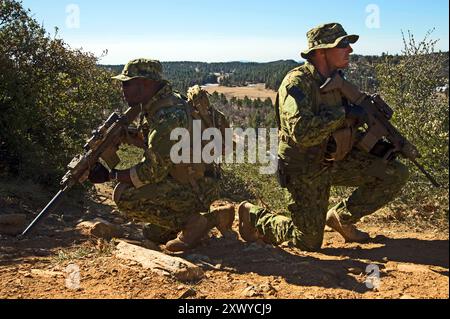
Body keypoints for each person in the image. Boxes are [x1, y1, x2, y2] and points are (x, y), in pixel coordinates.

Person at [238, 23, 409, 251]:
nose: (349, 50)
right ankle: (254, 217)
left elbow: (349, 127)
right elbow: (302, 133)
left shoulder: (340, 83)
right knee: (307, 241)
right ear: (321, 51)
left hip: (335, 159)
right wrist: (344, 113)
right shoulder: (297, 84)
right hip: (305, 167)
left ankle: (341, 217)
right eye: (343, 45)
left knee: (394, 172)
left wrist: (380, 146)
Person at [88, 58, 234, 252]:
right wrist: (127, 137)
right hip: (200, 180)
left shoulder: (167, 115)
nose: (123, 89)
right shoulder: (165, 102)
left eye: (127, 83)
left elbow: (151, 172)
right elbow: (161, 146)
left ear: (146, 83)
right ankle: (214, 218)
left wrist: (109, 175)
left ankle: (194, 223)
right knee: (152, 233)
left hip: (196, 188)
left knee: (123, 194)